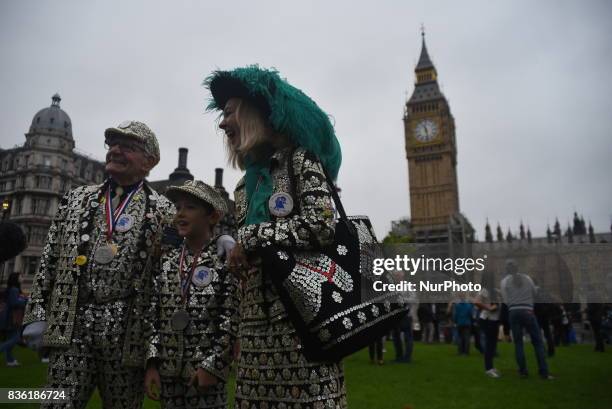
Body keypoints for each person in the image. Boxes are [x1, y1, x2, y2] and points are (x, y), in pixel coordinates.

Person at [205, 66, 347, 408]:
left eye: (229, 113)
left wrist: (252, 238)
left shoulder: (300, 161)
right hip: (254, 334)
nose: (222, 124)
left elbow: (323, 225)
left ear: (256, 114)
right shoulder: (243, 187)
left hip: (303, 327)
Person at [22, 121, 176, 408]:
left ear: (149, 161)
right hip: (72, 325)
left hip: (128, 334)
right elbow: (49, 259)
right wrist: (37, 314)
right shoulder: (76, 199)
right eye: (112, 145)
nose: (115, 151)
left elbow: (164, 285)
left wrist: (154, 350)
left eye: (127, 147)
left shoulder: (165, 211)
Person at [144, 180, 240, 409]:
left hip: (204, 375)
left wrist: (213, 366)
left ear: (213, 217)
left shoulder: (224, 262)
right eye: (177, 207)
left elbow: (232, 320)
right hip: (168, 373)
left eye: (190, 207)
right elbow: (153, 317)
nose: (180, 214)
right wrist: (152, 364)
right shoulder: (168, 262)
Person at [500, 259, 552, 380]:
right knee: (538, 342)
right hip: (528, 310)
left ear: (506, 270)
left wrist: (514, 304)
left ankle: (523, 371)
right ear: (518, 268)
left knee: (518, 344)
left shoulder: (504, 281)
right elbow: (534, 293)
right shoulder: (527, 278)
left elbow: (505, 300)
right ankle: (543, 372)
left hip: (513, 311)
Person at [474, 271, 501, 378]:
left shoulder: (494, 291)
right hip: (488, 319)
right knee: (490, 344)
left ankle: (491, 367)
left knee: (492, 344)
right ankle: (488, 368)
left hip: (493, 319)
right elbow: (476, 301)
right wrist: (489, 308)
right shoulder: (485, 291)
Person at [0, 273, 27, 366]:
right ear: (16, 279)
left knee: (10, 338)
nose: (22, 278)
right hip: (12, 318)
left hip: (8, 317)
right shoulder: (14, 290)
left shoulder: (12, 289)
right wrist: (25, 300)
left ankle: (10, 360)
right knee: (16, 338)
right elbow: (14, 303)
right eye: (21, 276)